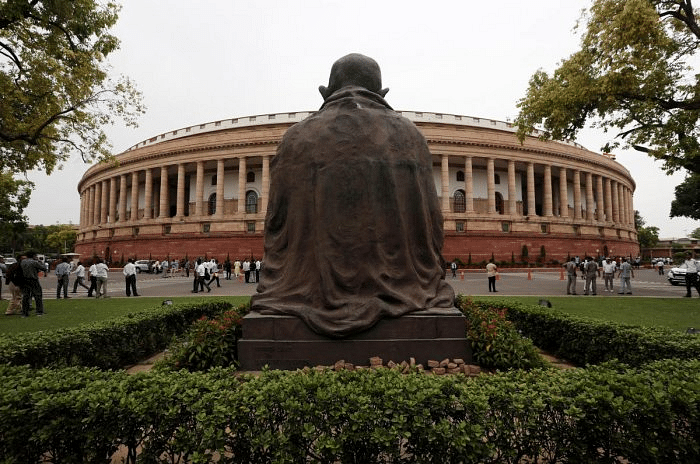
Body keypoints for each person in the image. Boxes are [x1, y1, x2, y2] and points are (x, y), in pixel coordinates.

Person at [20, 251, 45, 316]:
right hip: (33, 279)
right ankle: (39, 311)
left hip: (25, 279)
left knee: (26, 296)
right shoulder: (34, 262)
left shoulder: (23, 262)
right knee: (38, 295)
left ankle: (25, 312)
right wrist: (39, 261)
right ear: (34, 256)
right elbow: (43, 268)